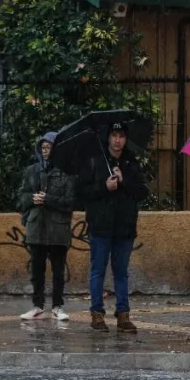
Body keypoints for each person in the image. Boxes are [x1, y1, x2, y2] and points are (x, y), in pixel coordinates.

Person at [78, 122, 149, 333]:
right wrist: (104, 186)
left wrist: (124, 181)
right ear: (108, 137)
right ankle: (97, 314)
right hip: (100, 225)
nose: (118, 140)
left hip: (124, 226)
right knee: (98, 270)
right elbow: (82, 192)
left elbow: (142, 192)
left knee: (121, 272)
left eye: (121, 136)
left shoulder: (131, 162)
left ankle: (123, 314)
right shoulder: (93, 160)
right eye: (114, 135)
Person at [18, 132, 75, 321]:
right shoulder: (31, 171)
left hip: (58, 229)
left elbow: (70, 202)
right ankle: (37, 305)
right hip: (36, 227)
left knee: (58, 271)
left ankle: (58, 306)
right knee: (37, 270)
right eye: (42, 148)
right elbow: (21, 198)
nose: (45, 151)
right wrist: (31, 199)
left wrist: (48, 199)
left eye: (49, 147)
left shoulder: (66, 172)